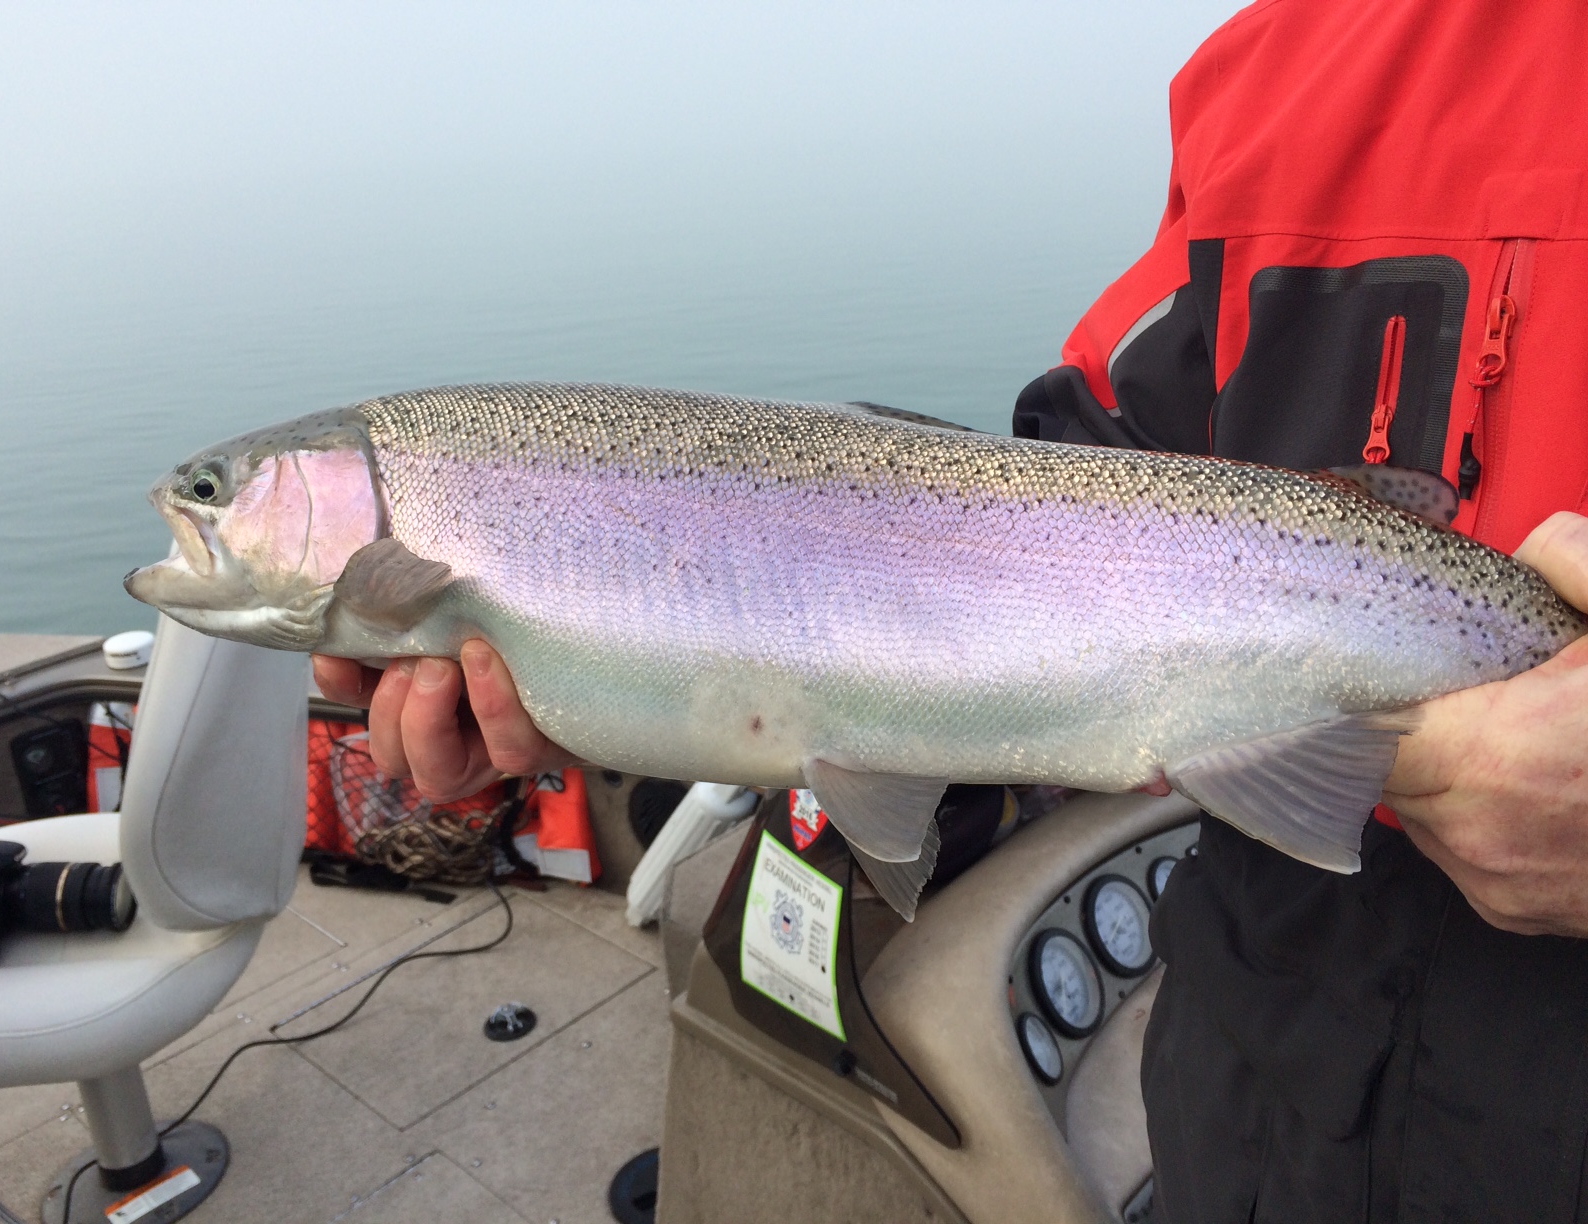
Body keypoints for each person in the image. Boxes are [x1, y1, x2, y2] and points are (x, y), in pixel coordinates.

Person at [316, 1, 1588, 1217]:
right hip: (1265, 1091)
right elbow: (1094, 467)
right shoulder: (1277, 66)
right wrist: (625, 650)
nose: (191, 512)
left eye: (214, 493)